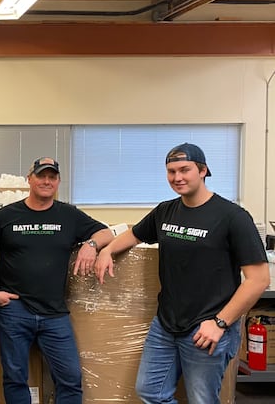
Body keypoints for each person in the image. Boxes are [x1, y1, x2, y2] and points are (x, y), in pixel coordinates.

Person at [95, 143, 270, 404]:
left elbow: (259, 280)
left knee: (202, 400)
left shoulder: (232, 216)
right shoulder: (165, 211)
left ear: (203, 170)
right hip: (166, 324)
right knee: (151, 391)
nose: (177, 177)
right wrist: (107, 250)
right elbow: (134, 234)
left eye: (184, 170)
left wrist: (220, 323)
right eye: (171, 171)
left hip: (207, 326)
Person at [0, 156, 113, 404]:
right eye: (41, 176)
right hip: (14, 309)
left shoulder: (69, 215)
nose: (46, 181)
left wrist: (91, 244)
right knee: (15, 377)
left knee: (71, 378)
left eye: (52, 177)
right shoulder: (5, 216)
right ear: (29, 179)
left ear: (58, 181)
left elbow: (106, 232)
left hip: (54, 312)